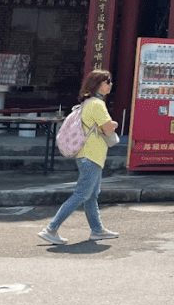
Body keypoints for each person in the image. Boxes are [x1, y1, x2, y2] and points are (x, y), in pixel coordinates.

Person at [38, 69, 119, 245]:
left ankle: (97, 230)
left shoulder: (88, 103)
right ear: (98, 84)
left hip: (89, 155)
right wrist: (114, 124)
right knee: (82, 194)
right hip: (91, 154)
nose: (110, 85)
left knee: (91, 195)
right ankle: (51, 229)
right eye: (107, 82)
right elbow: (107, 129)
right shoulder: (97, 104)